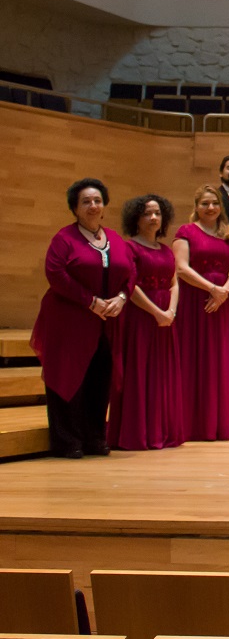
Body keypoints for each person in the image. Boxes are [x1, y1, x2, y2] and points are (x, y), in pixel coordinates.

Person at [31, 178, 134, 458]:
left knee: (99, 378)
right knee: (67, 378)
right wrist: (90, 302)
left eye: (97, 201)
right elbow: (55, 274)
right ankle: (68, 441)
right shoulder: (64, 239)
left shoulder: (114, 239)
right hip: (68, 321)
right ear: (75, 208)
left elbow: (130, 273)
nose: (92, 206)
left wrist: (122, 298)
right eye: (86, 202)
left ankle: (95, 437)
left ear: (104, 206)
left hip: (106, 323)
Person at [111, 193, 184, 451]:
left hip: (166, 319)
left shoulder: (166, 250)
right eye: (147, 214)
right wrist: (157, 312)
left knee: (162, 374)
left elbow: (174, 283)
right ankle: (140, 432)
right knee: (140, 373)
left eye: (157, 213)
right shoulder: (129, 247)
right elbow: (131, 286)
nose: (153, 218)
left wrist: (171, 312)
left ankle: (162, 430)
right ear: (136, 219)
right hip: (141, 318)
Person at [173, 184, 229, 442]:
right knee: (194, 357)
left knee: (219, 360)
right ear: (196, 207)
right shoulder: (186, 231)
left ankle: (219, 421)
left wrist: (223, 292)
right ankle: (191, 423)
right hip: (195, 300)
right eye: (205, 203)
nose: (210, 208)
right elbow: (180, 268)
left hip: (223, 303)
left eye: (214, 203)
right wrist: (213, 289)